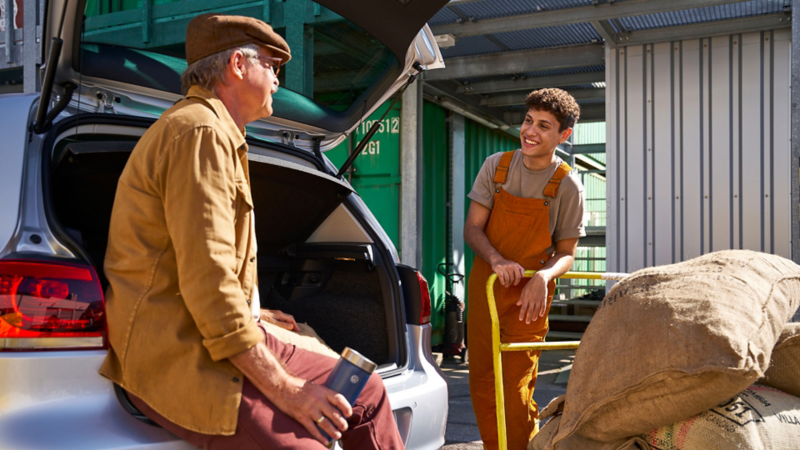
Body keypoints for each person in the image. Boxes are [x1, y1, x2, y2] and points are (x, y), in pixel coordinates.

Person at [99, 14, 404, 450]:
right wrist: (288, 390)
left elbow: (204, 268)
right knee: (306, 444)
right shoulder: (199, 132)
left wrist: (255, 314)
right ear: (238, 67)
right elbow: (209, 282)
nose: (278, 80)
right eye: (271, 66)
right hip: (181, 349)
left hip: (223, 331)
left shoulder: (220, 133)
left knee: (366, 392)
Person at [464, 88, 586, 450]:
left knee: (515, 386)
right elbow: (473, 228)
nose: (530, 131)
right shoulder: (496, 166)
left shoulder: (567, 184)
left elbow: (566, 252)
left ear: (563, 136)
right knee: (483, 381)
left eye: (544, 126)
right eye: (528, 121)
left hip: (529, 298)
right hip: (486, 288)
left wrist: (544, 278)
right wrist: (498, 260)